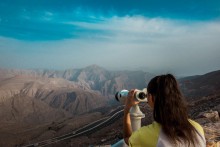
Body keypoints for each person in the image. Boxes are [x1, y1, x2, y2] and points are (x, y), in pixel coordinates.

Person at [123, 74, 206, 147]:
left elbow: (127, 139)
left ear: (151, 98)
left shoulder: (148, 135)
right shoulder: (197, 128)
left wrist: (127, 109)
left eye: (147, 94)